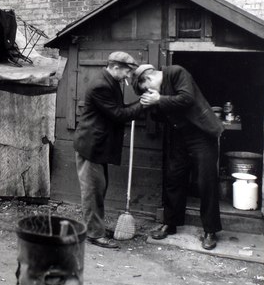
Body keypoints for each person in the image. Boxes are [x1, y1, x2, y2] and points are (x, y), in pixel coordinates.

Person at [131, 63, 224, 250]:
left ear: (149, 79)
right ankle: (170, 223)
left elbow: (187, 98)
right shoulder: (158, 94)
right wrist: (150, 107)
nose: (150, 92)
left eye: (148, 89)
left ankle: (210, 230)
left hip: (202, 135)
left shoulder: (176, 72)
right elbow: (162, 114)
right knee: (173, 178)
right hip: (179, 137)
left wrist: (158, 100)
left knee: (206, 182)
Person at [73, 52, 144, 249]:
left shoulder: (110, 82)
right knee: (92, 191)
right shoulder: (101, 85)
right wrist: (143, 104)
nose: (128, 76)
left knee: (99, 188)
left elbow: (118, 110)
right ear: (114, 67)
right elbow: (118, 114)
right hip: (91, 147)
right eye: (126, 72)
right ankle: (94, 235)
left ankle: (97, 228)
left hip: (98, 146)